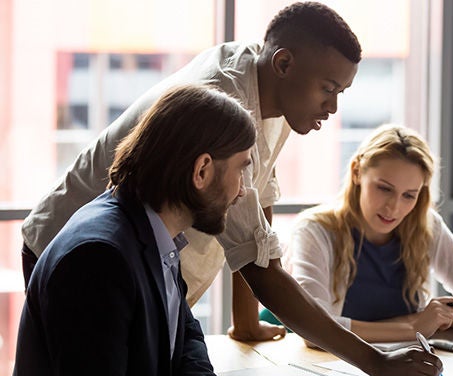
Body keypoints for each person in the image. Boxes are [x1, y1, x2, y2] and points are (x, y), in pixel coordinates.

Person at [20, 1, 360, 342]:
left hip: (144, 270)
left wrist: (246, 322)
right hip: (77, 255)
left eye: (340, 93)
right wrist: (378, 364)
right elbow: (264, 273)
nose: (332, 107)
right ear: (283, 63)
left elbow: (258, 207)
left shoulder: (276, 86)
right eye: (328, 89)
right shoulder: (225, 104)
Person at [3, 84, 325, 376]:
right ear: (201, 171)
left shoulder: (146, 230)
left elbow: (183, 325)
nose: (243, 191)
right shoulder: (99, 259)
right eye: (241, 169)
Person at [270, 124, 453, 344]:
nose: (394, 208)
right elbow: (314, 329)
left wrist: (419, 323)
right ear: (357, 172)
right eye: (384, 188)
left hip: (397, 369)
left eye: (409, 195)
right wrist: (413, 328)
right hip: (326, 366)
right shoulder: (315, 231)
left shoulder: (425, 226)